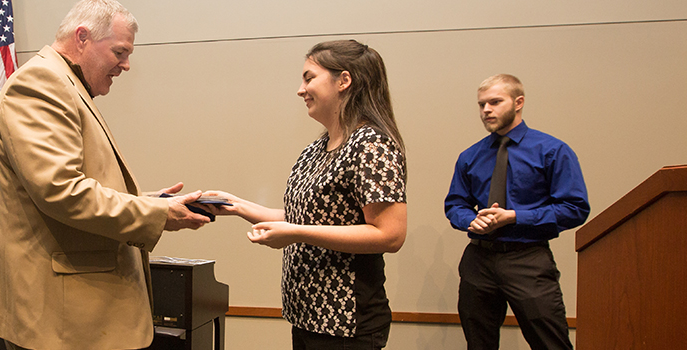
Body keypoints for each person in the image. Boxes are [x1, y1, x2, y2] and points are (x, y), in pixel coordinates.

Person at [0, 1, 212, 349]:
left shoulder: (64, 83)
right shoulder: (41, 84)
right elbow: (62, 192)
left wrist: (148, 201)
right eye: (120, 51)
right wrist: (158, 214)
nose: (126, 65)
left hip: (72, 318)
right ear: (82, 37)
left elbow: (74, 184)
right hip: (61, 321)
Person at [201, 40, 408, 350]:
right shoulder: (318, 148)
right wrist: (237, 205)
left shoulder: (371, 145)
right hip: (307, 317)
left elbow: (390, 234)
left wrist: (296, 233)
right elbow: (305, 218)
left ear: (344, 81)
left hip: (346, 324)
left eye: (309, 78)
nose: (301, 89)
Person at [444, 74, 590, 350]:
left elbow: (574, 208)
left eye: (495, 102)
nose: (486, 110)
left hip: (528, 259)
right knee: (478, 344)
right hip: (479, 259)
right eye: (481, 104)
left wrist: (514, 217)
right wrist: (472, 220)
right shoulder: (470, 156)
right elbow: (454, 204)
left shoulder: (552, 151)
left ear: (518, 102)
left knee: (551, 343)